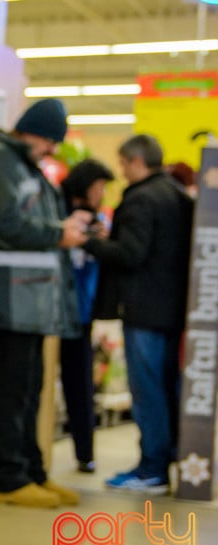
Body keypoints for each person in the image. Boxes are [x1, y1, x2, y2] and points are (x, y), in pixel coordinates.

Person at [0, 97, 91, 508]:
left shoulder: (22, 164)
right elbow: (3, 224)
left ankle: (31, 469)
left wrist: (62, 229)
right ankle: (8, 478)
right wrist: (58, 233)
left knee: (31, 387)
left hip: (28, 297)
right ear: (35, 132)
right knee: (14, 387)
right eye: (51, 142)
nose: (53, 151)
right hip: (7, 295)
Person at [83, 134, 194, 494]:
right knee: (166, 387)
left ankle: (152, 469)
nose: (122, 171)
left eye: (124, 164)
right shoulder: (177, 194)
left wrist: (92, 242)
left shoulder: (142, 198)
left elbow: (131, 253)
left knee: (147, 391)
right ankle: (166, 460)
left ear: (136, 162)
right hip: (174, 310)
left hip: (144, 310)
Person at [58, 158, 115, 474]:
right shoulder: (58, 211)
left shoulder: (97, 222)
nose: (101, 194)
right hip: (56, 313)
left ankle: (85, 453)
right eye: (99, 187)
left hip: (82, 314)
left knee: (81, 385)